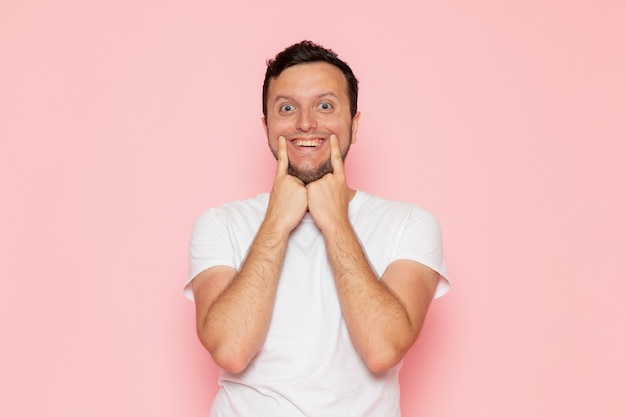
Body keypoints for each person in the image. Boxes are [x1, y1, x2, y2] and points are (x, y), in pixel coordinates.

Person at [184, 40, 450, 417]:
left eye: (325, 106)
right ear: (267, 127)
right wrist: (276, 221)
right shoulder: (220, 224)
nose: (306, 123)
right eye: (287, 108)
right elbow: (231, 349)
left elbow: (382, 350)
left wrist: (336, 221)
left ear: (354, 124)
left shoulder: (410, 224)